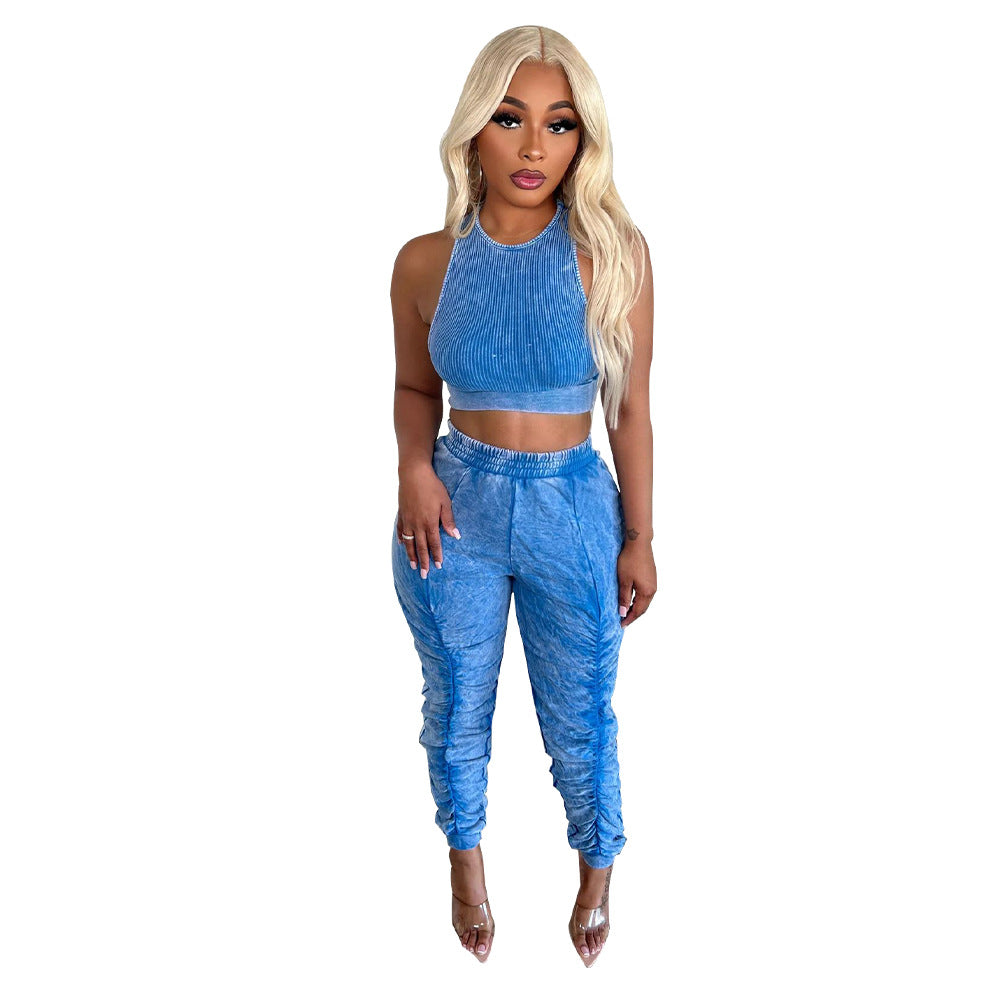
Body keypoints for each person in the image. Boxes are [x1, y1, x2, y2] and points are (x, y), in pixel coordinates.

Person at [389, 25, 655, 967]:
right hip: (452, 508)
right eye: (510, 119)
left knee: (580, 711)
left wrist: (640, 535)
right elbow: (415, 387)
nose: (535, 146)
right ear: (475, 129)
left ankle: (597, 868)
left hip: (572, 507)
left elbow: (631, 410)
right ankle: (465, 865)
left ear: (584, 138)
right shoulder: (425, 262)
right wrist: (413, 468)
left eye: (560, 123)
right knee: (456, 699)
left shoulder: (611, 255)